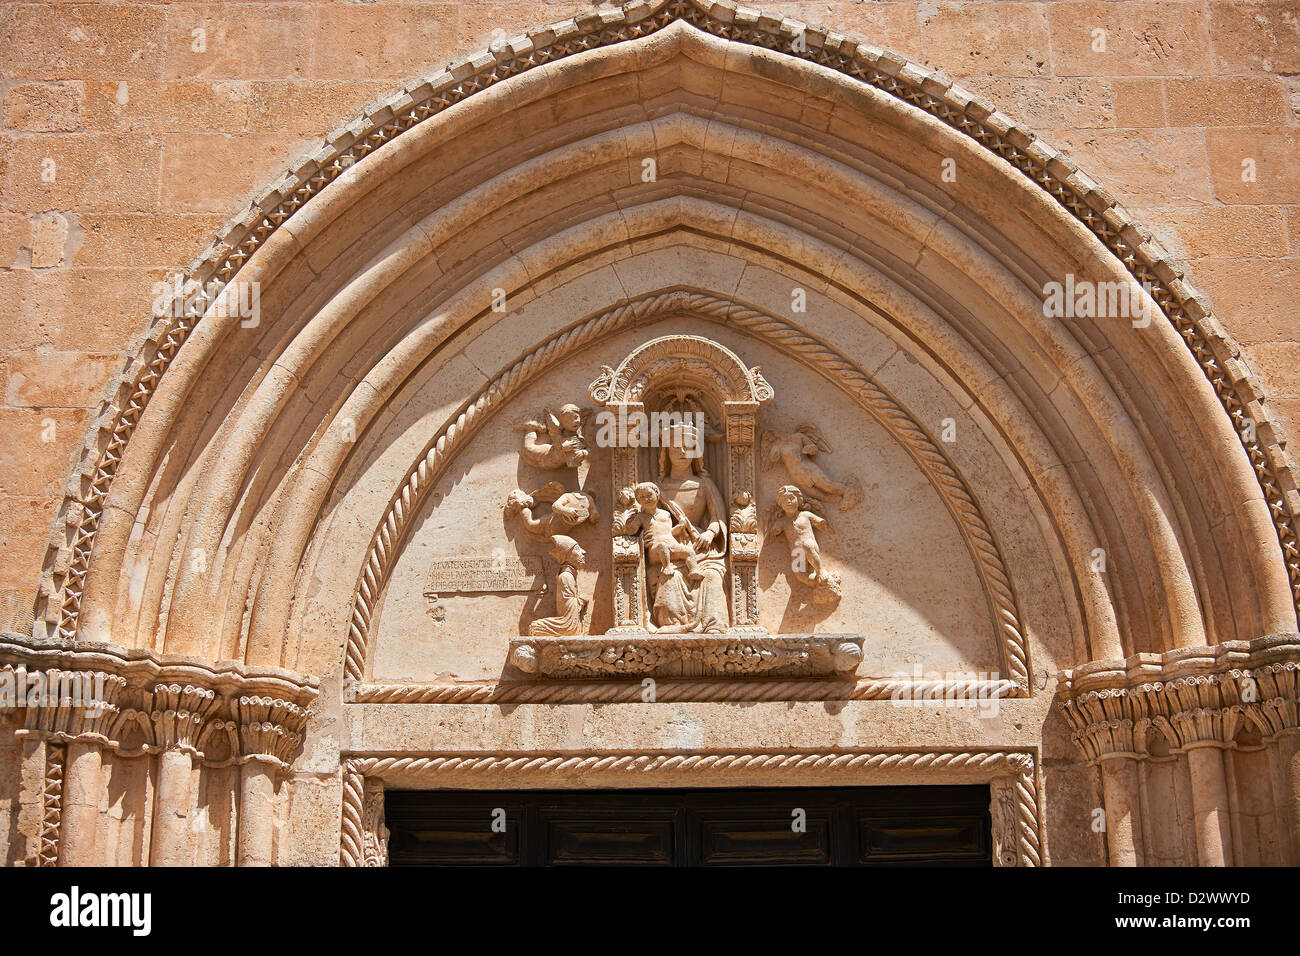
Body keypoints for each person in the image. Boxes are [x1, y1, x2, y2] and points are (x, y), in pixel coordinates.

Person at [643, 424, 729, 632]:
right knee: (670, 578)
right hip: (671, 547)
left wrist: (710, 533)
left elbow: (718, 517)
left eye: (688, 447)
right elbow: (647, 516)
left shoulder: (704, 484)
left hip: (702, 548)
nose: (682, 452)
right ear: (666, 452)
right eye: (675, 447)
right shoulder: (657, 488)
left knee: (712, 577)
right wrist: (647, 535)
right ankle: (673, 626)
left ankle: (713, 626)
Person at [528, 535, 588, 637]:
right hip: (567, 625)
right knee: (536, 627)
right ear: (568, 555)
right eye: (577, 549)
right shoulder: (566, 576)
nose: (583, 552)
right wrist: (581, 600)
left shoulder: (568, 576)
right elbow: (568, 611)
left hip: (570, 623)